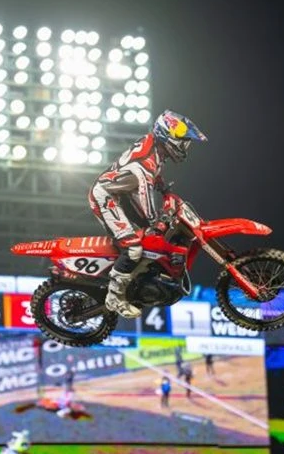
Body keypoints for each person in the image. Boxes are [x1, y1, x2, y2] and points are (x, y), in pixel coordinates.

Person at [89, 110, 209, 318]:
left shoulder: (155, 147)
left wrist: (163, 190)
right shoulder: (146, 162)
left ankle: (140, 279)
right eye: (183, 141)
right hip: (107, 197)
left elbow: (154, 176)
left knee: (151, 239)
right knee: (133, 247)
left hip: (123, 193)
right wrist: (156, 220)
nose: (184, 147)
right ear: (168, 136)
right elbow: (145, 192)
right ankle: (114, 297)